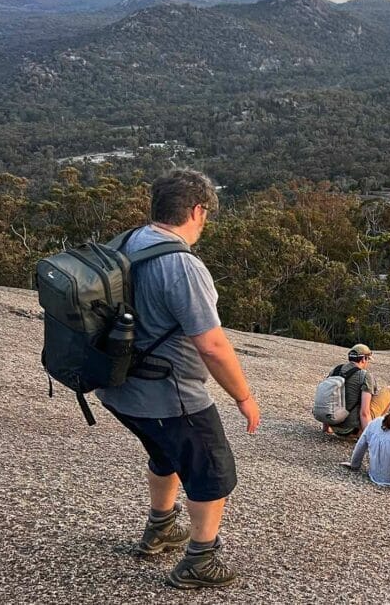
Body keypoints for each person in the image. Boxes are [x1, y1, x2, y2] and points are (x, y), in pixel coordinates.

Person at [95, 169, 260, 590]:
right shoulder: (181, 265)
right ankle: (199, 562)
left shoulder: (129, 241)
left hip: (119, 390)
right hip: (169, 395)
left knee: (165, 455)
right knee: (213, 473)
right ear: (198, 210)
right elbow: (212, 346)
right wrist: (244, 396)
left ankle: (161, 528)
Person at [325, 344, 390, 437]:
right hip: (352, 429)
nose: (367, 363)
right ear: (363, 359)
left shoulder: (335, 370)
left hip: (334, 426)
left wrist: (326, 428)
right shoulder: (364, 376)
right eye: (368, 360)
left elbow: (326, 399)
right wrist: (368, 438)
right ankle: (369, 430)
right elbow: (364, 412)